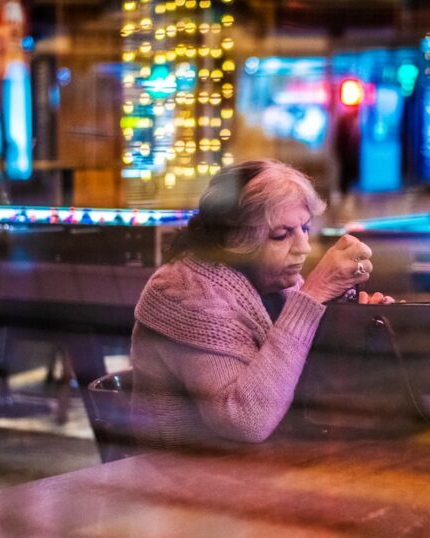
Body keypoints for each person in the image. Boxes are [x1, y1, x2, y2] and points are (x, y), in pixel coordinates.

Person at [131, 159, 393, 448]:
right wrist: (311, 298)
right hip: (178, 477)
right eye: (281, 235)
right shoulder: (186, 291)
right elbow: (245, 421)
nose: (304, 246)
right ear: (235, 241)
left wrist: (350, 321)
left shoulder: (272, 279)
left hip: (261, 465)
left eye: (304, 228)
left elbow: (297, 374)